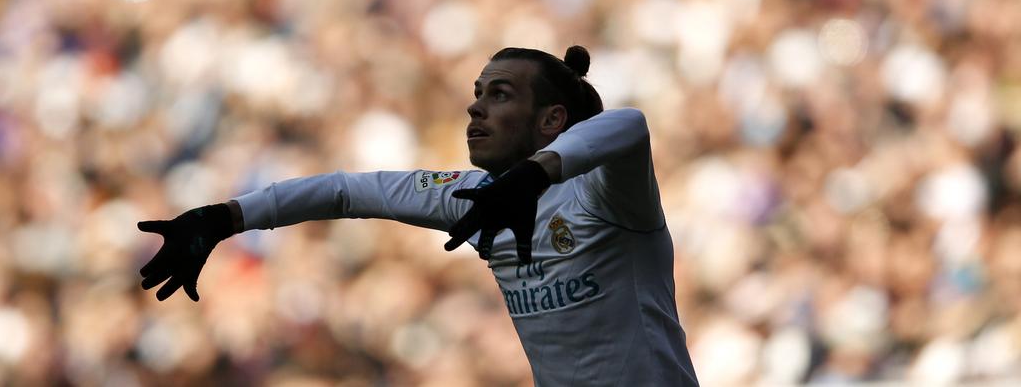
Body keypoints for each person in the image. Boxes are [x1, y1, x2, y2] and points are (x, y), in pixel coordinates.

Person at [137, 46, 699, 386]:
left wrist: (537, 173)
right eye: (478, 92)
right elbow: (343, 193)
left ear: (553, 120)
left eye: (500, 95)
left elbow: (630, 125)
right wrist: (225, 218)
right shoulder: (474, 194)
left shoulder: (603, 195)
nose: (475, 106)